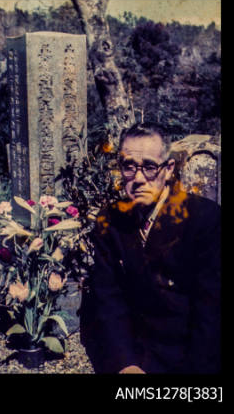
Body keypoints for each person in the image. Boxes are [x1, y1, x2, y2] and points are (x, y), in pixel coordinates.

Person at [80, 123, 221, 374]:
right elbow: (108, 298)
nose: (138, 179)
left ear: (168, 169)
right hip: (133, 353)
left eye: (149, 167)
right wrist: (126, 363)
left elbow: (210, 314)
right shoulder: (110, 220)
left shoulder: (204, 219)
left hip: (187, 357)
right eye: (129, 166)